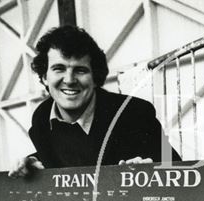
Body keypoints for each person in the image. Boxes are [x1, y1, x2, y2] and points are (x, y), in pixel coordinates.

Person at [9, 26, 179, 177]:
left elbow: (177, 168)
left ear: (95, 78)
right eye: (59, 69)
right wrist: (34, 162)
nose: (69, 80)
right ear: (45, 77)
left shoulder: (134, 113)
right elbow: (67, 156)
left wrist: (153, 170)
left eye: (80, 70)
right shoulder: (41, 119)